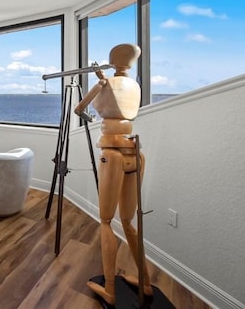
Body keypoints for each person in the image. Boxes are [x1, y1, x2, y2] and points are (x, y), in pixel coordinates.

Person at [74, 43, 153, 306]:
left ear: (113, 59)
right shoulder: (136, 87)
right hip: (135, 152)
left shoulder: (105, 83)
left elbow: (78, 109)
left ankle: (110, 289)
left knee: (106, 221)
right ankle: (145, 282)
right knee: (129, 221)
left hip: (112, 152)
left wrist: (99, 85)